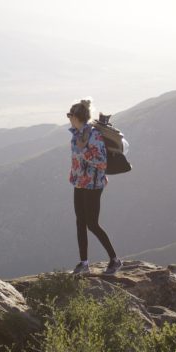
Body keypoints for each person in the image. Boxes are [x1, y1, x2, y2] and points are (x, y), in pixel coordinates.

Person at [66, 99, 122, 276]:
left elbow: (101, 161)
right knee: (80, 222)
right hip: (80, 182)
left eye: (70, 115)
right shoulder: (77, 133)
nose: (68, 118)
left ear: (77, 117)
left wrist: (83, 151)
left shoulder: (94, 135)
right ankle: (84, 263)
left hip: (93, 184)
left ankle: (115, 260)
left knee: (92, 223)